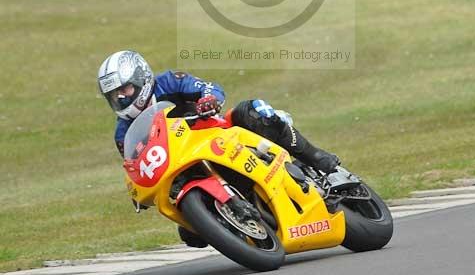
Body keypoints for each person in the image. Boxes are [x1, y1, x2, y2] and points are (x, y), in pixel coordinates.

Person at [97, 49, 339, 246]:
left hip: (218, 135)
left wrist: (208, 99)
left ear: (141, 78)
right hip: (184, 165)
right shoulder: (123, 133)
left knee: (252, 111)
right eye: (113, 95)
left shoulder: (169, 81)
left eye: (124, 90)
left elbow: (210, 87)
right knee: (190, 235)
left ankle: (315, 157)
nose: (120, 98)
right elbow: (135, 164)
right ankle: (230, 222)